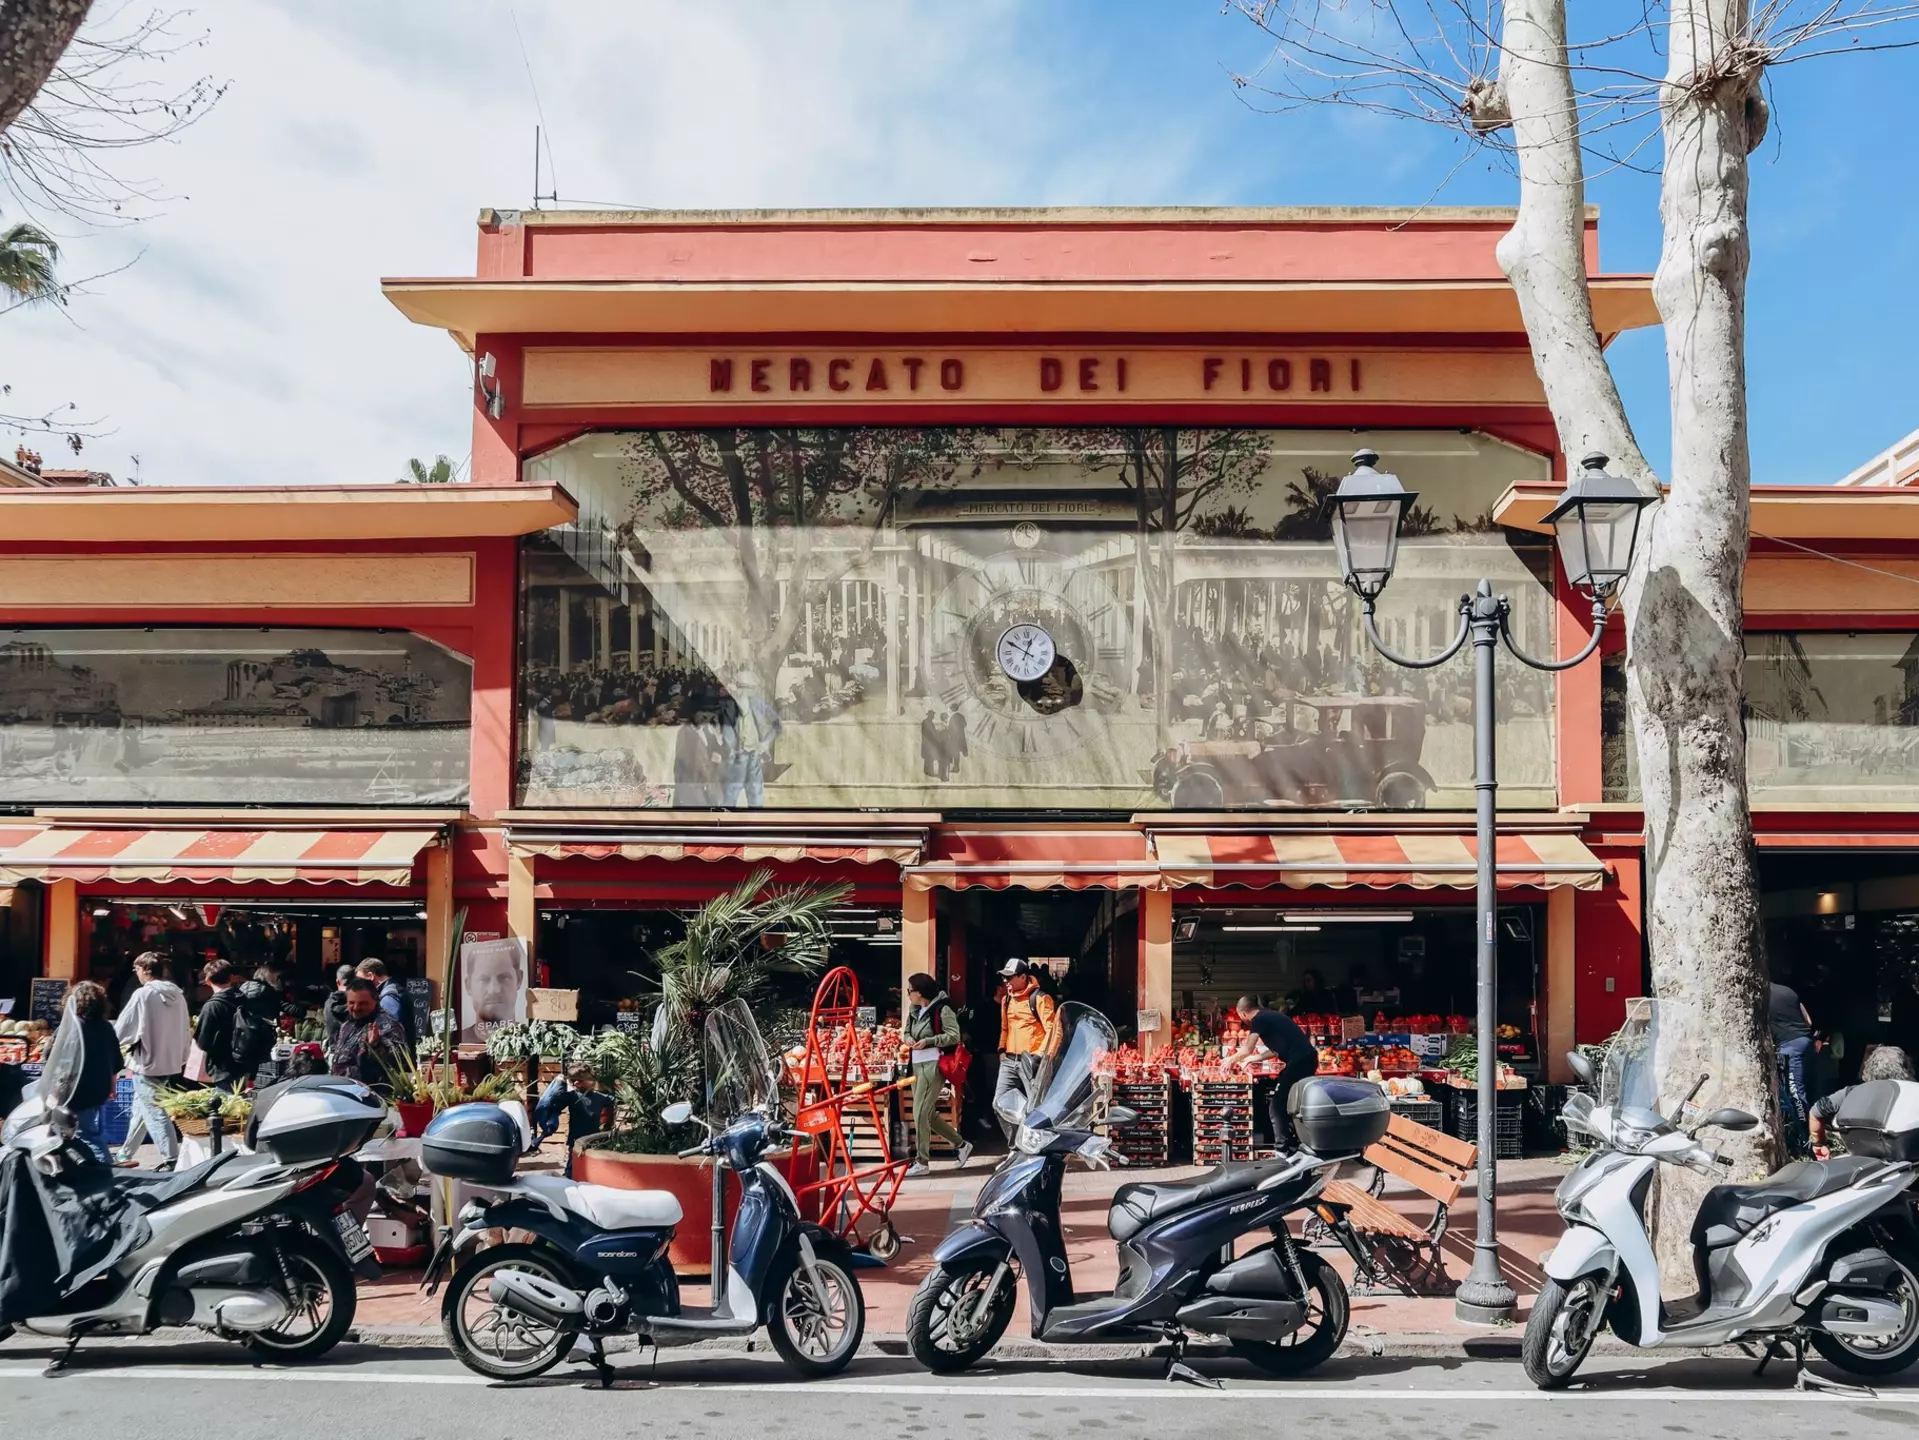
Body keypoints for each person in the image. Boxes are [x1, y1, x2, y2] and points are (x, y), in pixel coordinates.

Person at [112, 952, 190, 1170]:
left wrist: (115, 1042)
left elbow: (123, 1027)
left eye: (136, 969)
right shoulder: (178, 995)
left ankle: (171, 1158)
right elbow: (185, 1029)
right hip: (169, 1060)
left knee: (154, 1111)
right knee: (142, 1108)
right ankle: (124, 1153)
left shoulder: (142, 994)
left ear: (145, 970)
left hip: (146, 1061)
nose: (136, 974)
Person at [1225, 994, 1321, 1152]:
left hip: (1300, 1063)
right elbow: (1278, 1049)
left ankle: (1282, 1149)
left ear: (1242, 1013)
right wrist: (1255, 1058)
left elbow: (1247, 1048)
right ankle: (1294, 1145)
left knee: (1276, 1106)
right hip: (1306, 1060)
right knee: (1288, 1103)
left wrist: (1230, 1059)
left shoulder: (1258, 1020)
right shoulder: (1271, 1016)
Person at [902, 972, 973, 1177]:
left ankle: (922, 1161)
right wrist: (908, 1039)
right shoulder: (915, 1011)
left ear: (920, 992)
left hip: (934, 1065)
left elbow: (954, 1035)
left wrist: (929, 1041)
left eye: (910, 991)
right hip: (916, 1065)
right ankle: (961, 1145)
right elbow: (907, 1031)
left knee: (920, 1112)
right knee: (927, 1113)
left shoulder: (943, 1009)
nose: (908, 994)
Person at [1810, 1045, 1915, 1158]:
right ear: (1906, 1068)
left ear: (1868, 1068)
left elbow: (1815, 1113)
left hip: (1860, 1161)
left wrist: (1819, 1144)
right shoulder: (1913, 1092)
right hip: (1905, 1163)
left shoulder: (1850, 1092)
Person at [994, 958, 1058, 1140]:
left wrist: (1040, 1056)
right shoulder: (1006, 1000)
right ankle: (1016, 1146)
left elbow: (1053, 1031)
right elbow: (1005, 1027)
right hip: (1009, 1060)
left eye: (1009, 977)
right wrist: (1001, 1050)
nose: (1006, 981)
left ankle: (1039, 1147)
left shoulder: (1040, 998)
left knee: (1037, 1109)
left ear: (1023, 977)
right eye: (1004, 978)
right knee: (999, 1105)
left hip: (1032, 1061)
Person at [67, 981, 124, 1167]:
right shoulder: (106, 1026)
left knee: (87, 1134)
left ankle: (106, 1172)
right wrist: (112, 1086)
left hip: (77, 1089)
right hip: (99, 1088)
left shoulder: (72, 1026)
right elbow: (116, 1061)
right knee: (88, 1129)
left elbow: (50, 1054)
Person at [195, 958, 272, 1091]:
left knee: (228, 1108)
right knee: (241, 1105)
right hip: (246, 1063)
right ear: (231, 978)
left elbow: (203, 1042)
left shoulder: (212, 1006)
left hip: (223, 1068)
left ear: (207, 981)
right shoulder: (245, 999)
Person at [533, 1061, 617, 1177]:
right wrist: (559, 1082)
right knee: (572, 1170)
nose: (577, 1082)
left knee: (593, 1170)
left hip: (594, 1140)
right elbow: (553, 1100)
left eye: (582, 1079)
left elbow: (616, 1100)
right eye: (574, 1080)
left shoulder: (601, 1097)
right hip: (576, 1142)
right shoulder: (572, 1097)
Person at [328, 976, 409, 1094]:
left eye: (362, 1003)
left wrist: (375, 1046)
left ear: (376, 1000)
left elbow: (399, 1062)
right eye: (351, 1003)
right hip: (344, 1094)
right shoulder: (348, 1024)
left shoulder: (387, 1025)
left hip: (371, 1098)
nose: (356, 1008)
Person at [459, 939, 526, 1046]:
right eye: (484, 979)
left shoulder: (531, 1041)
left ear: (519, 979)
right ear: (468, 985)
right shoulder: (456, 1042)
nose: (494, 990)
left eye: (504, 977)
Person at [1770, 977, 1816, 1132]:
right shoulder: (1788, 991)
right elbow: (1808, 1021)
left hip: (1790, 1046)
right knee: (1802, 1087)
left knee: (1795, 1092)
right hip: (1805, 1041)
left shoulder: (1759, 994)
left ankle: (1803, 1136)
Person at [357, 958, 416, 1047]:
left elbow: (390, 1032)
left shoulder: (388, 997)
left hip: (397, 1057)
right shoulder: (394, 989)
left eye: (360, 980)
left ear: (370, 975)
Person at [322, 963, 356, 1055]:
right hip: (352, 1056)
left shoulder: (328, 1003)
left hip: (334, 1055)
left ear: (337, 982)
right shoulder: (358, 1003)